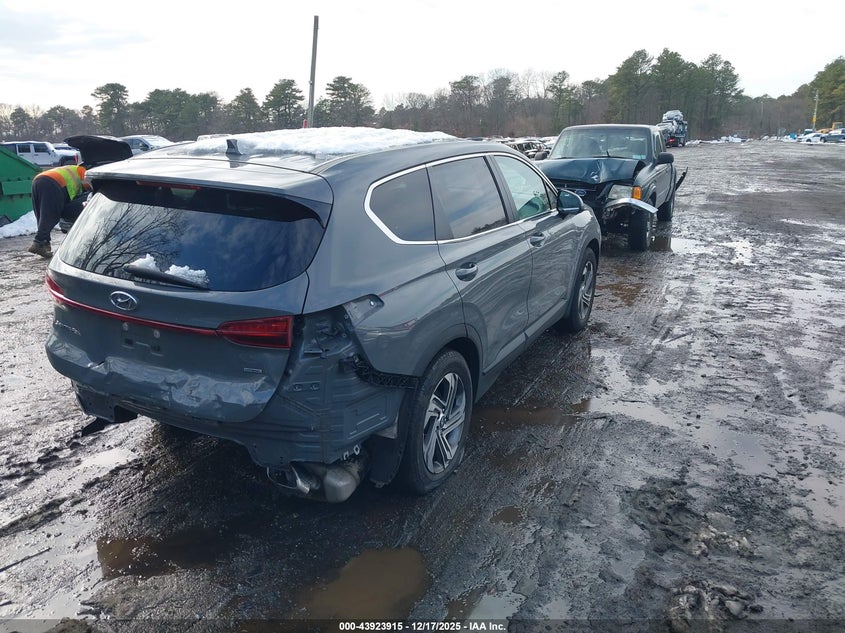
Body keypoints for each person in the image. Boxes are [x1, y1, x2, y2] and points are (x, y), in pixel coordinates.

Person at [27, 164, 91, 258]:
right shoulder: (84, 172)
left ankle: (44, 244)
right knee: (51, 215)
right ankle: (38, 242)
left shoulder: (72, 169)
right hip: (53, 182)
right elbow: (89, 185)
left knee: (42, 215)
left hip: (38, 180)